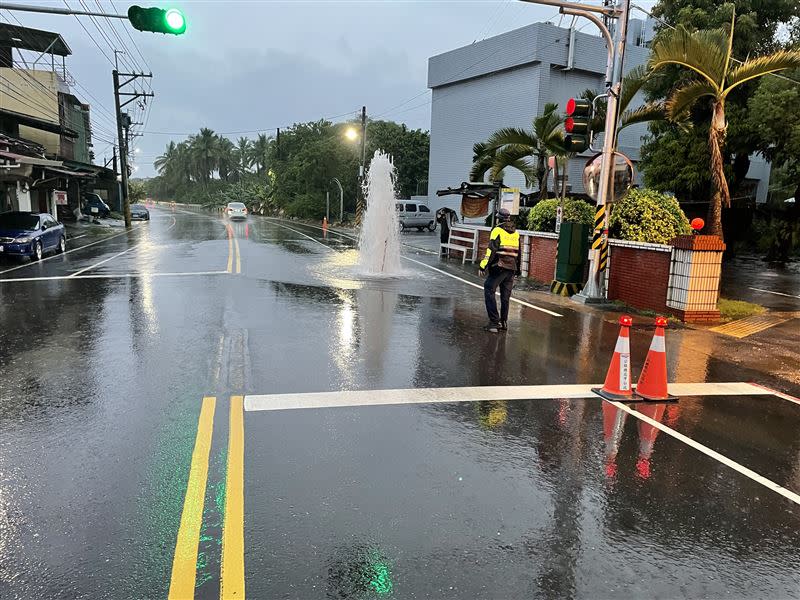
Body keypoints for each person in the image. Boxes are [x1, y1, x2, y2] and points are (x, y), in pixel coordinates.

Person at [479, 208, 521, 333]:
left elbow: (491, 250)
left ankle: (493, 323)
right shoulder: (516, 233)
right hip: (511, 268)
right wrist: (517, 270)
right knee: (505, 297)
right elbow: (518, 253)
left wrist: (483, 265)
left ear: (498, 218)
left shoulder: (496, 230)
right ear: (508, 218)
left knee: (489, 288)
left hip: (500, 266)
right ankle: (503, 322)